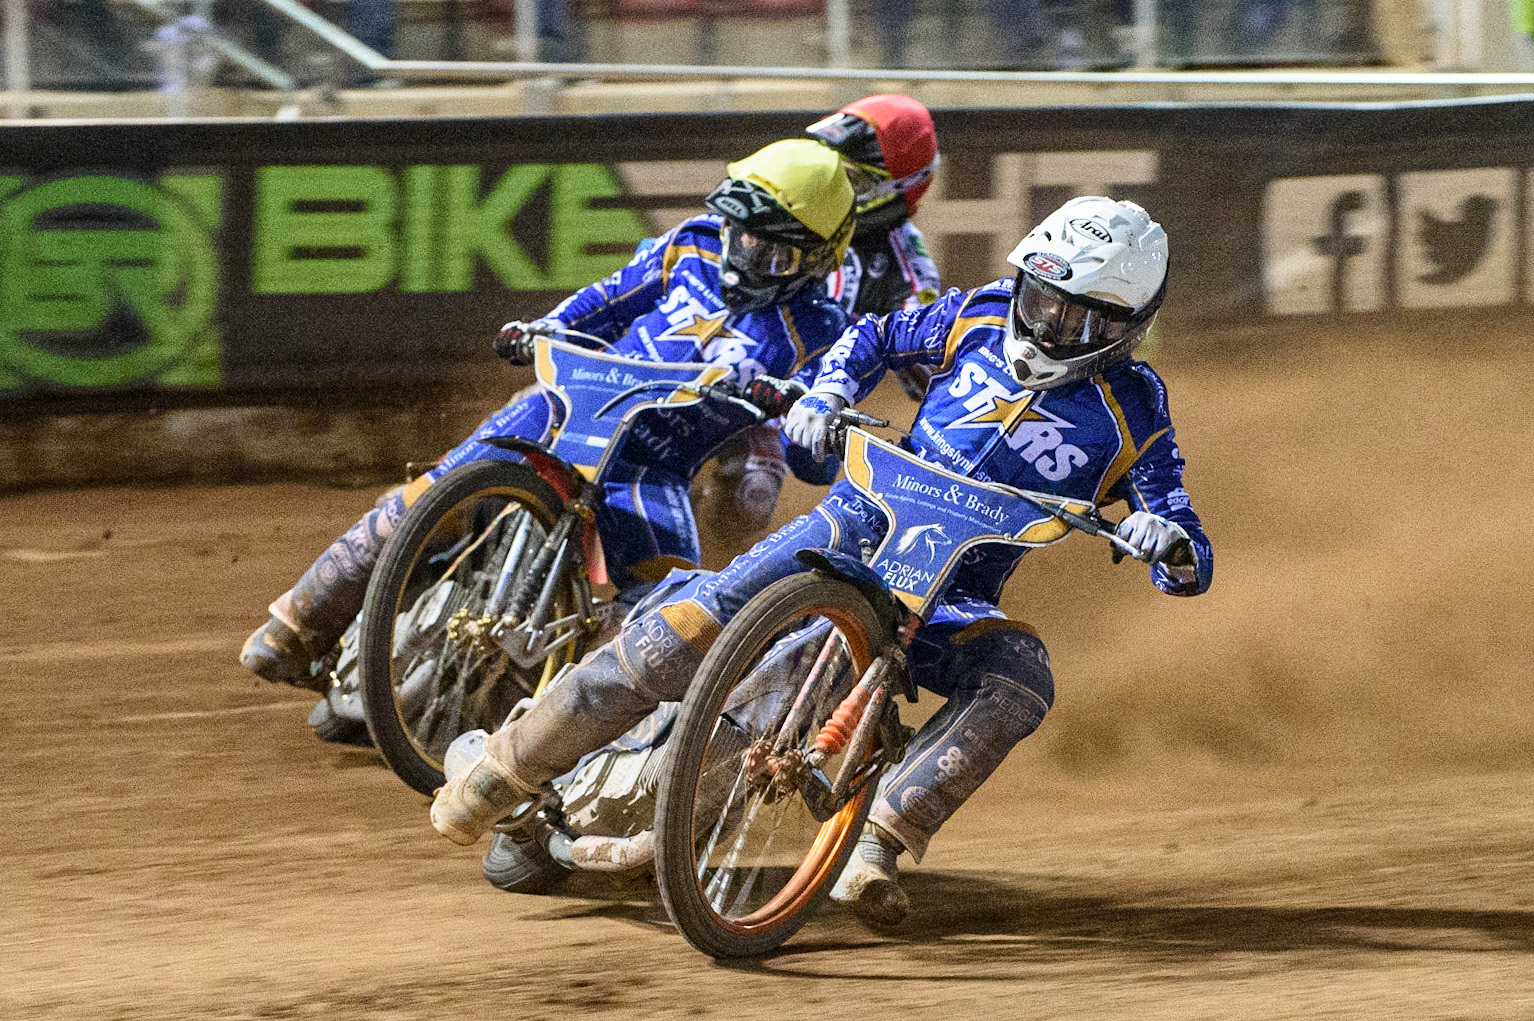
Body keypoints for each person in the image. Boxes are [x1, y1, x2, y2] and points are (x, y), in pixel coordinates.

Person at [428, 195, 1214, 927]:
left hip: (951, 595)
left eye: (1075, 315)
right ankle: (509, 766)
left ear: (1127, 325)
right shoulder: (975, 313)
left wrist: (1166, 543)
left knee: (1020, 674)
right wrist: (825, 393)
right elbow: (873, 337)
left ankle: (879, 841)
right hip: (850, 525)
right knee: (694, 619)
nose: (1046, 323)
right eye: (1039, 298)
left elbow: (1184, 536)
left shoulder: (1135, 410)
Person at [240, 138, 855, 690]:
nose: (746, 256)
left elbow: (811, 459)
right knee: (427, 496)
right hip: (563, 413)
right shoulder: (690, 244)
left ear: (821, 258)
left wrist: (803, 415)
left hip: (651, 470)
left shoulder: (821, 330)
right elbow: (608, 300)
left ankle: (574, 741)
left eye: (773, 252)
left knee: (665, 611)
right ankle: (294, 627)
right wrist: (545, 328)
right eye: (741, 233)